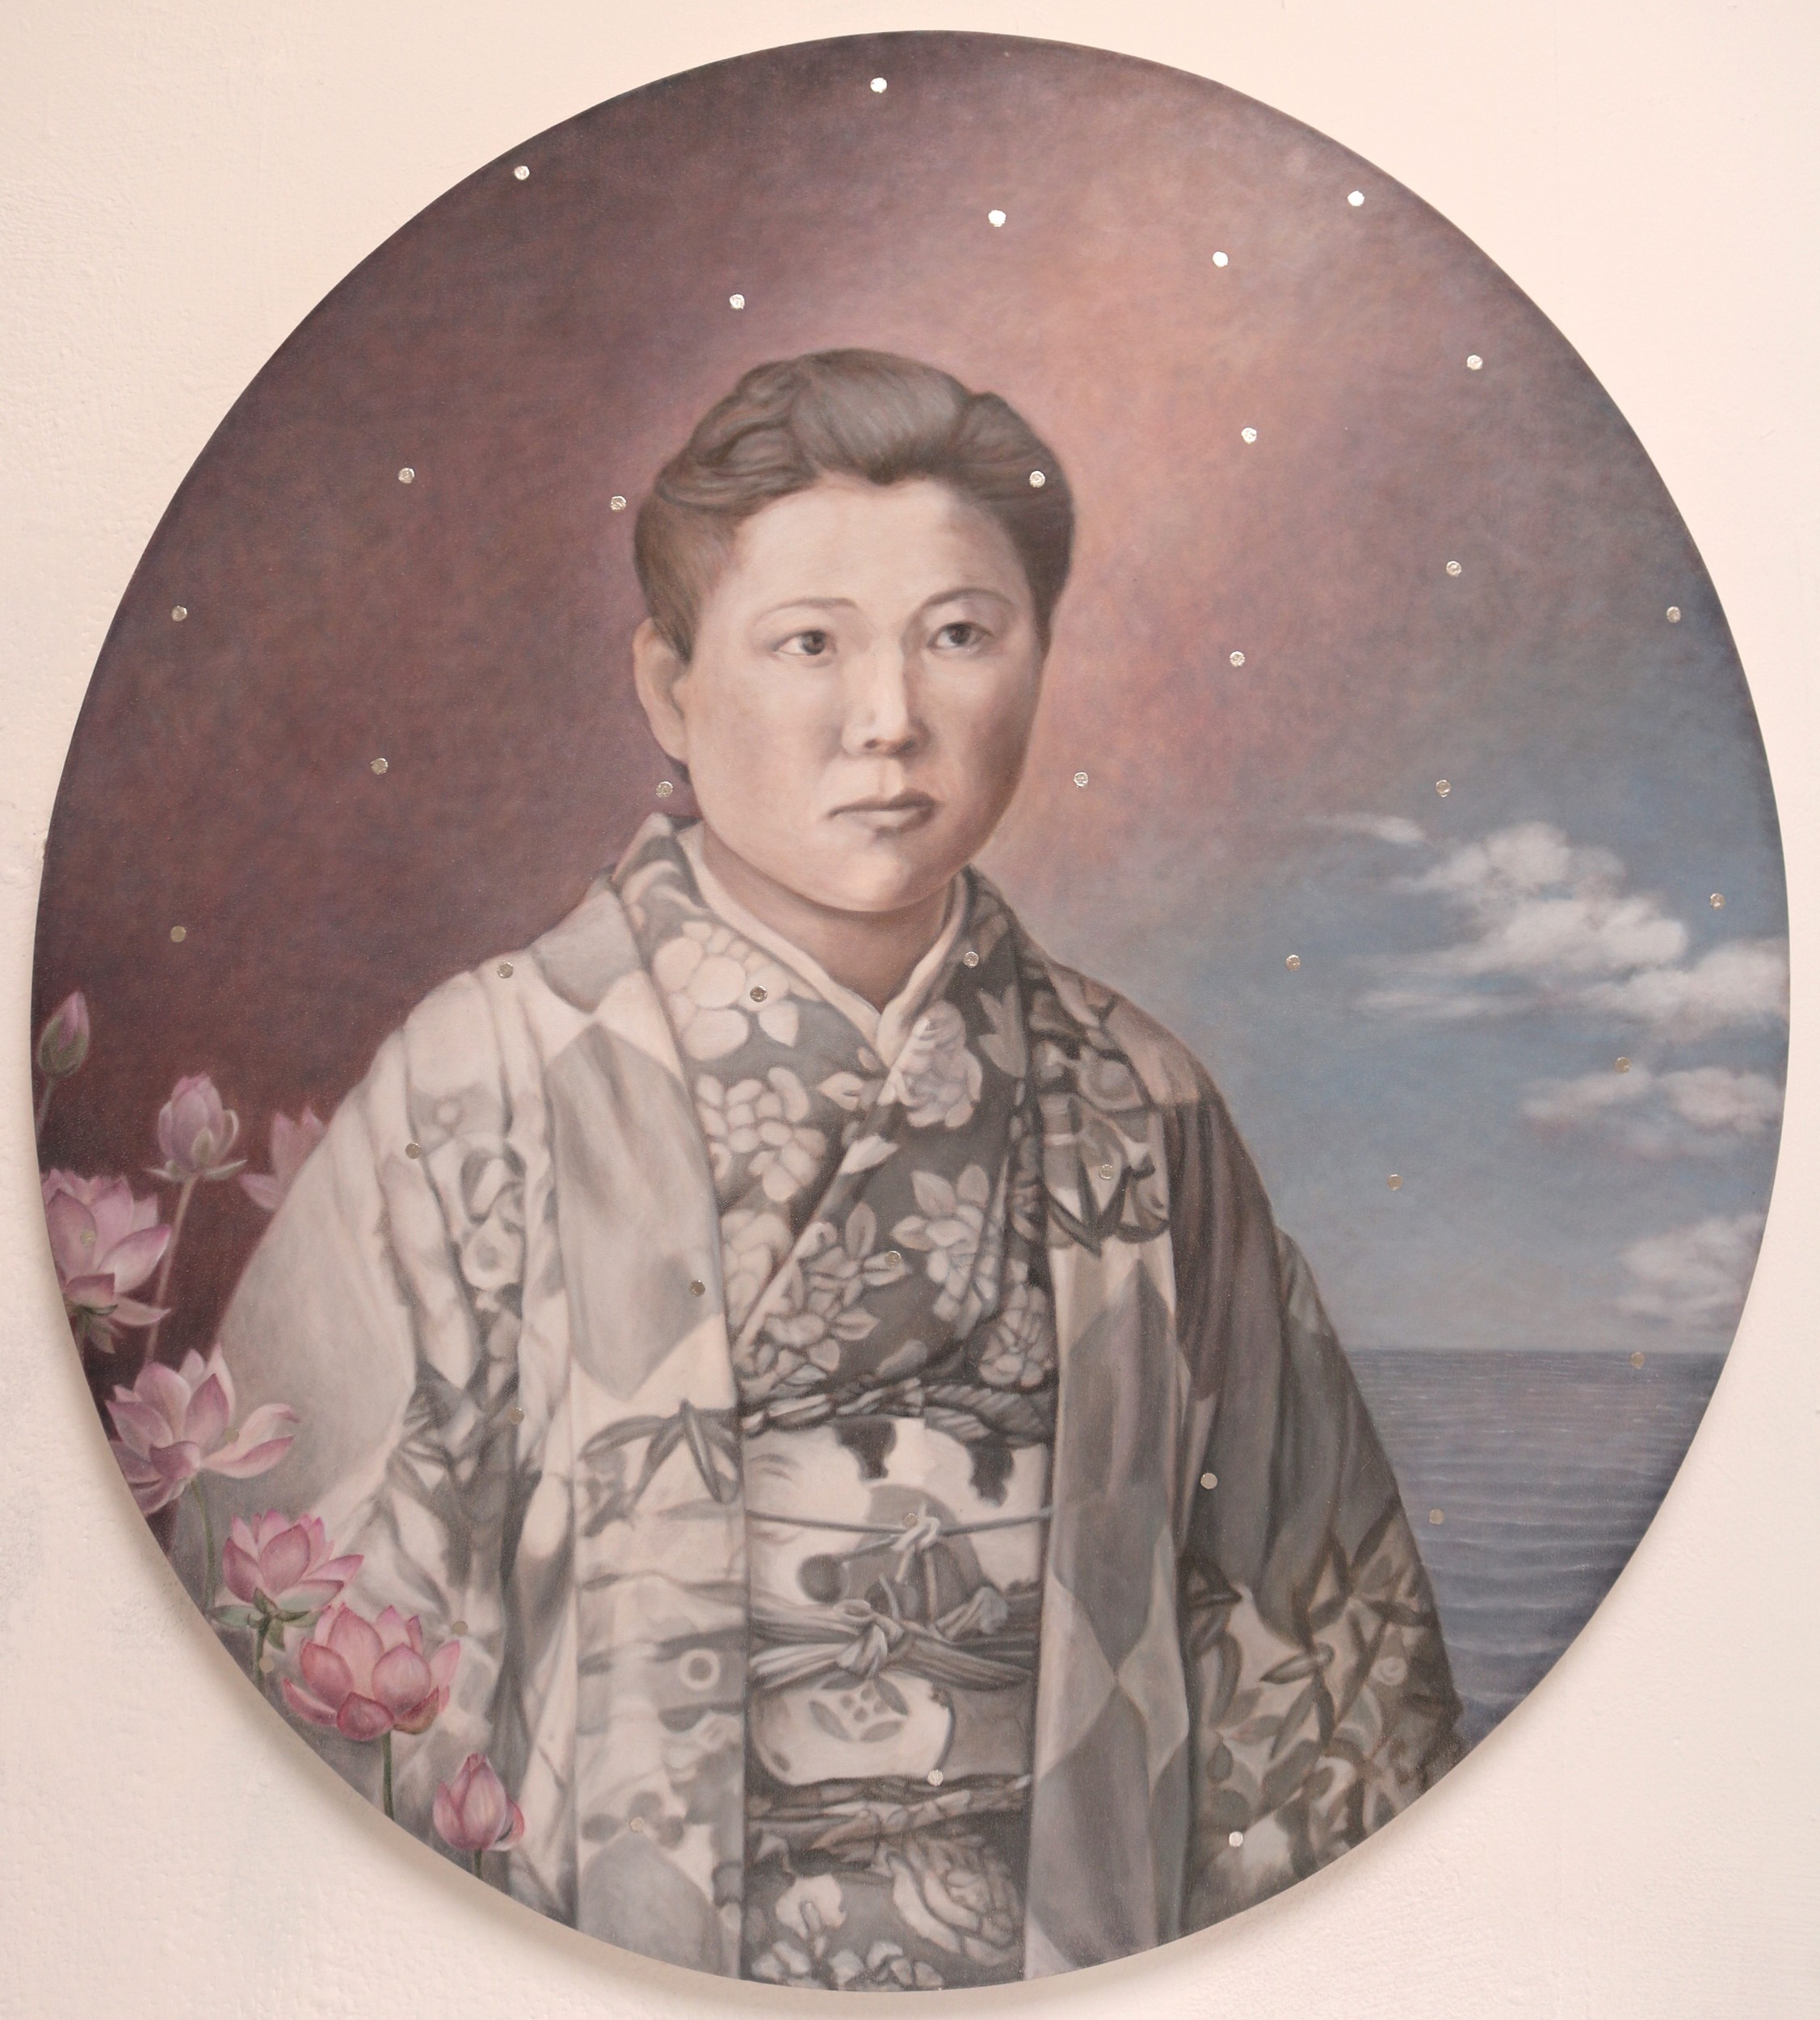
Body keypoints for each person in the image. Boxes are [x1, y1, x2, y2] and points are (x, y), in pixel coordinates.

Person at [215, 348, 1461, 1987]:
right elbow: (314, 1663)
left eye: (960, 636)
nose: (889, 720)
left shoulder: (1139, 1104)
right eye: (808, 643)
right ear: (668, 684)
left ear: (1038, 659)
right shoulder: (481, 1083)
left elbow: (1311, 1659)